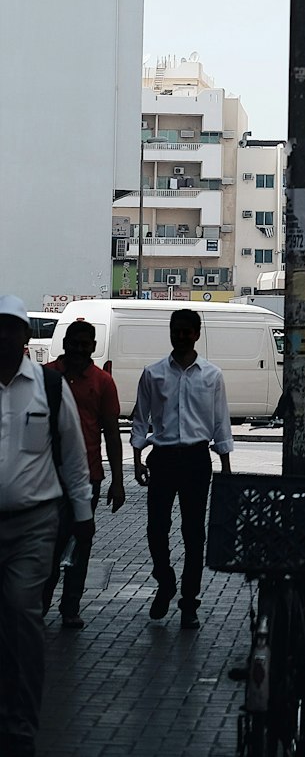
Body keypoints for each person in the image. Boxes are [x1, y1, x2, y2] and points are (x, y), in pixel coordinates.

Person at [0, 295, 93, 757]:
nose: (4, 337)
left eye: (11, 328)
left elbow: (74, 458)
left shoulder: (49, 388)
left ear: (24, 336)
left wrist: (83, 514)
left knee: (22, 614)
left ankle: (20, 722)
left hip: (34, 524)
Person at [131, 308, 233, 631]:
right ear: (171, 332)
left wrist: (226, 468)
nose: (181, 335)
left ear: (197, 334)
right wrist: (136, 459)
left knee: (193, 534)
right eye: (176, 329)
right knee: (156, 529)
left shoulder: (212, 376)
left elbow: (221, 424)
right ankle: (166, 580)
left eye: (187, 330)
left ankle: (189, 602)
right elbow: (139, 418)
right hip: (162, 459)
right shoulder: (153, 373)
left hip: (196, 461)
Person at [42, 319, 125, 627]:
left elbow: (112, 434)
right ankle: (39, 605)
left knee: (81, 542)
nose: (78, 349)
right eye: (73, 343)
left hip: (88, 476)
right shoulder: (46, 377)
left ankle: (70, 607)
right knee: (46, 544)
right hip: (45, 476)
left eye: (84, 344)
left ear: (92, 346)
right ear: (65, 344)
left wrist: (117, 481)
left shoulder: (102, 382)